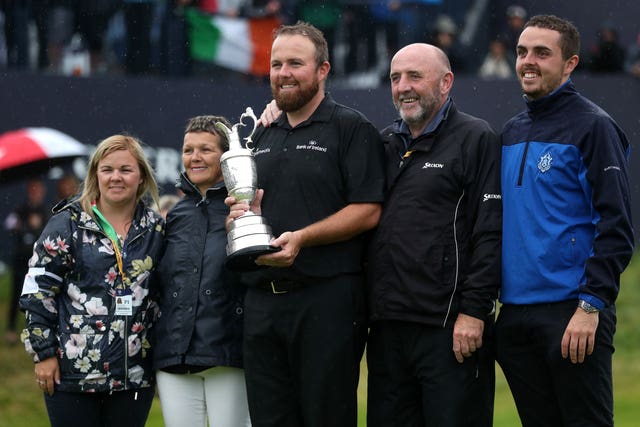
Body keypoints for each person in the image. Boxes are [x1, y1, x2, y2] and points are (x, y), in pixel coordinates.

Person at [227, 21, 386, 427]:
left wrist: (303, 238)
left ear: (323, 70)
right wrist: (240, 218)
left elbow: (368, 209)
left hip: (327, 299)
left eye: (296, 63)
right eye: (276, 64)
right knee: (269, 419)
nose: (284, 73)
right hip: (262, 302)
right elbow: (250, 204)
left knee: (325, 417)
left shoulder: (351, 128)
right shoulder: (261, 133)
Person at [496, 15, 634, 427]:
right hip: (516, 316)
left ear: (570, 64)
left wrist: (591, 304)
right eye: (522, 52)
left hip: (572, 313)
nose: (527, 61)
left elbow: (617, 225)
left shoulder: (594, 126)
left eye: (542, 52)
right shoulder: (510, 131)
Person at [366, 43, 501, 427]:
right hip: (388, 329)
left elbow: (489, 232)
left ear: (446, 83)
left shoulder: (477, 137)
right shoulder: (383, 144)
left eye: (414, 76)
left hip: (450, 329)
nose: (403, 86)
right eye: (395, 78)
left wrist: (474, 311)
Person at [19, 135, 165, 427]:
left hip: (133, 377)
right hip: (71, 374)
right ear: (95, 174)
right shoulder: (68, 223)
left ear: (141, 177)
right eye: (107, 169)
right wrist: (43, 354)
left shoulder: (155, 228)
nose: (116, 177)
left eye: (125, 170)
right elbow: (37, 292)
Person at [153, 115, 251, 427]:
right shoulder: (176, 214)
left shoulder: (247, 205)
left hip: (229, 352)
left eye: (205, 150)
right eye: (188, 149)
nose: (194, 157)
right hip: (174, 355)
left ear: (226, 157)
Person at [3, 178, 49, 345]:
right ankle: (10, 330)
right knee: (16, 293)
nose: (36, 194)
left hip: (36, 261)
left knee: (37, 296)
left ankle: (33, 329)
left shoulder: (45, 211)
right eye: (33, 191)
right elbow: (9, 225)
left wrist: (37, 227)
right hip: (20, 258)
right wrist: (23, 225)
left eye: (38, 191)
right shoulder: (21, 209)